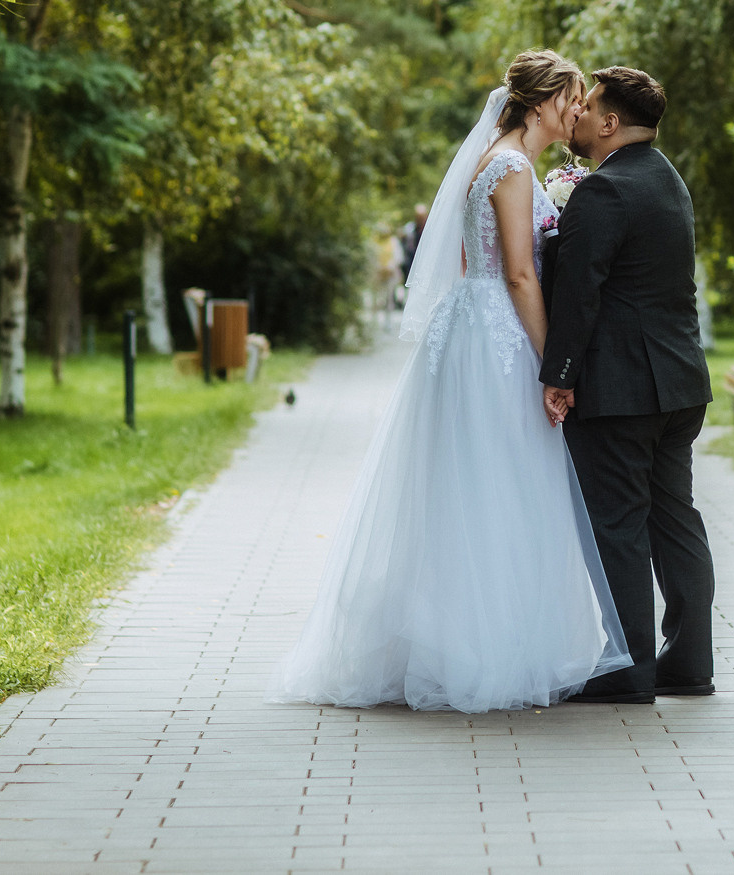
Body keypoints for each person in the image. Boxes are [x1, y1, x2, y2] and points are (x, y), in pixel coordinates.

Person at [267, 51, 630, 712]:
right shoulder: (515, 168)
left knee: (468, 485)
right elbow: (519, 274)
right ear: (545, 101)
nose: (578, 111)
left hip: (469, 329)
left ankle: (454, 639)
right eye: (573, 99)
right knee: (501, 484)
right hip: (498, 338)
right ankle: (486, 648)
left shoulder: (495, 157)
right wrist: (557, 366)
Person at [540, 67, 717, 704]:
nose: (578, 117)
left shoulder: (604, 192)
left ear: (610, 123)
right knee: (675, 519)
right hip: (679, 384)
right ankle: (689, 661)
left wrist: (558, 377)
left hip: (621, 390)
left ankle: (627, 669)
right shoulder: (668, 180)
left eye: (586, 108)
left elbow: (579, 297)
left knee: (618, 525)